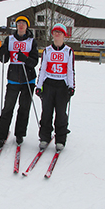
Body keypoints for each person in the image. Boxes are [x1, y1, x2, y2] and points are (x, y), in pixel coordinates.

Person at [0, 15, 39, 148]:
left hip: (28, 79)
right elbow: (4, 59)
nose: (21, 26)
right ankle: (1, 135)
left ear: (27, 26)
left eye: (23, 24)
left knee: (24, 108)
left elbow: (34, 62)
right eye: (19, 23)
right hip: (13, 78)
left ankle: (19, 134)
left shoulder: (32, 41)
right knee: (8, 108)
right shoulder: (10, 39)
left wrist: (24, 59)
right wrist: (2, 52)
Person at [35, 23, 75, 151]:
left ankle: (60, 139)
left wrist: (71, 86)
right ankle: (45, 137)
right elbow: (42, 70)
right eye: (55, 32)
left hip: (62, 85)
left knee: (61, 114)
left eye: (60, 32)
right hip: (49, 83)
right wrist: (39, 86)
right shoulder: (47, 50)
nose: (57, 34)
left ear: (64, 35)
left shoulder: (68, 51)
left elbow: (70, 70)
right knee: (46, 112)